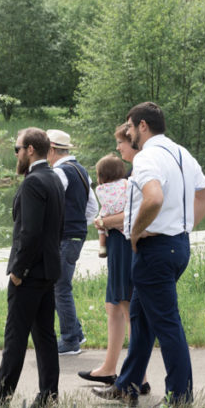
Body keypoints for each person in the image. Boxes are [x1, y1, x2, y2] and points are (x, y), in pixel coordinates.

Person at [93, 102, 205, 408]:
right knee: (140, 316)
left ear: (143, 126)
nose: (129, 132)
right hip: (177, 246)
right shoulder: (181, 152)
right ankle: (127, 386)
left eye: (130, 127)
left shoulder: (147, 157)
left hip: (155, 251)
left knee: (167, 324)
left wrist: (134, 232)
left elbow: (154, 197)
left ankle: (179, 399)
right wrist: (184, 228)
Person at [0, 128, 64, 408]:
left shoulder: (33, 183)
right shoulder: (54, 178)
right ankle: (48, 398)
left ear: (30, 149)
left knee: (15, 337)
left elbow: (30, 233)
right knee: (45, 338)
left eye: (16, 149)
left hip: (29, 275)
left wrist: (19, 269)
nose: (15, 154)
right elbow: (57, 229)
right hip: (48, 271)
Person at [77, 131, 149, 394]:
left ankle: (137, 377)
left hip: (122, 246)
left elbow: (128, 215)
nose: (118, 147)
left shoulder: (131, 180)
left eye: (120, 142)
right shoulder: (129, 179)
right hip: (119, 247)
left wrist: (103, 222)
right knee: (113, 305)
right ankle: (109, 367)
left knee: (126, 304)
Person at [46, 129, 98, 356]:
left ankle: (69, 341)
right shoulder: (82, 171)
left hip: (65, 236)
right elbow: (93, 208)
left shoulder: (58, 173)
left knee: (60, 288)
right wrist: (77, 223)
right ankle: (76, 332)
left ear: (51, 150)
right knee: (62, 286)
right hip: (77, 235)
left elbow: (50, 206)